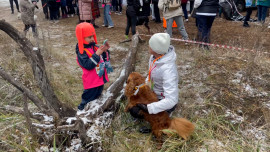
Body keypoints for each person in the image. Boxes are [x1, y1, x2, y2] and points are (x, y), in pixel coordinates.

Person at [129, 33, 179, 133]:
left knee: (139, 112)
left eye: (150, 45)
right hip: (153, 94)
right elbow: (151, 75)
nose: (148, 46)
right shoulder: (154, 58)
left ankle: (159, 124)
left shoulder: (168, 70)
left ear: (157, 49)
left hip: (163, 101)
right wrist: (142, 88)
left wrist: (149, 108)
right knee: (133, 108)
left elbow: (172, 100)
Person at [75, 22, 113, 110]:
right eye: (89, 37)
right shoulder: (81, 52)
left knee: (97, 98)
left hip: (99, 80)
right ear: (82, 38)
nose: (92, 39)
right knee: (87, 100)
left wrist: (105, 51)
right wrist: (96, 55)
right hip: (91, 83)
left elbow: (103, 59)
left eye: (93, 36)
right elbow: (88, 65)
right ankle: (81, 113)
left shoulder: (94, 47)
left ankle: (94, 112)